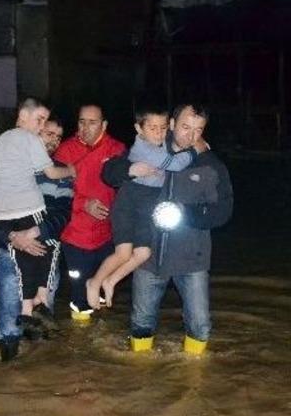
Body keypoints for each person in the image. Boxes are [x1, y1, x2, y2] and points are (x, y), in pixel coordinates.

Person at [102, 103, 233, 356]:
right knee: (141, 325)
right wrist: (129, 170)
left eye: (198, 129)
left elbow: (224, 211)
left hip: (192, 260)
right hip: (148, 257)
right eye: (185, 127)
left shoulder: (210, 164)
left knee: (200, 326)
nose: (190, 135)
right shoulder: (150, 147)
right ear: (172, 124)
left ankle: (195, 380)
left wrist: (185, 214)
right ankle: (140, 378)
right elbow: (109, 171)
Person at [85, 106, 205, 310]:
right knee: (123, 253)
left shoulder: (162, 146)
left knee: (142, 254)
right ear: (139, 129)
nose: (159, 133)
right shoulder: (144, 148)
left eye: (162, 128)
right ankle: (94, 282)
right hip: (129, 203)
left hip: (148, 207)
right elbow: (174, 164)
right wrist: (196, 150)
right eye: (153, 128)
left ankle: (111, 281)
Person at [0, 98, 76, 341]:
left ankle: (36, 371)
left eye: (59, 136)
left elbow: (63, 213)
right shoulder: (10, 163)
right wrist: (13, 237)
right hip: (10, 252)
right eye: (48, 131)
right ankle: (7, 368)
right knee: (8, 323)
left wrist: (34, 233)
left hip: (43, 249)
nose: (53, 140)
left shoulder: (59, 174)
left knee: (40, 324)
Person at [53, 104, 126, 321]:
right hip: (75, 236)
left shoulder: (117, 150)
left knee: (104, 295)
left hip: (108, 236)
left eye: (92, 122)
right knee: (80, 298)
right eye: (81, 122)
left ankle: (99, 345)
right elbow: (55, 196)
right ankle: (79, 345)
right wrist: (84, 204)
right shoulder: (65, 151)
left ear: (104, 124)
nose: (85, 127)